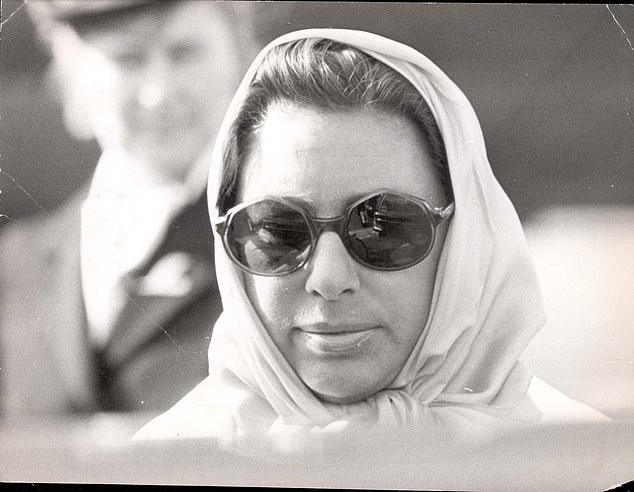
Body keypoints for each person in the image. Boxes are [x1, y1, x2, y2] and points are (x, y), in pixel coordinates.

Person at [134, 29, 607, 458]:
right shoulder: (157, 466)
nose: (329, 280)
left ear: (465, 244)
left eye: (383, 226)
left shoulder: (588, 464)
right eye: (280, 231)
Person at [0, 1, 257, 415]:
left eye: (184, 52)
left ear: (239, 64)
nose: (158, 92)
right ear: (72, 83)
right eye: (127, 59)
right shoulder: (15, 264)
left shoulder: (275, 238)